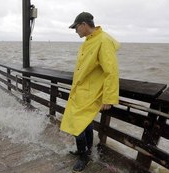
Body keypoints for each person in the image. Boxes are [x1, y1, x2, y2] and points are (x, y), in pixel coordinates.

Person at [60, 12, 120, 172]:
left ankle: (83, 156)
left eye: (75, 27)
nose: (75, 31)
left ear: (83, 25)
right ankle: (87, 151)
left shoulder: (103, 41)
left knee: (77, 125)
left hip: (90, 94)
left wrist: (108, 98)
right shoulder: (90, 41)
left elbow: (111, 72)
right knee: (85, 124)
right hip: (81, 92)